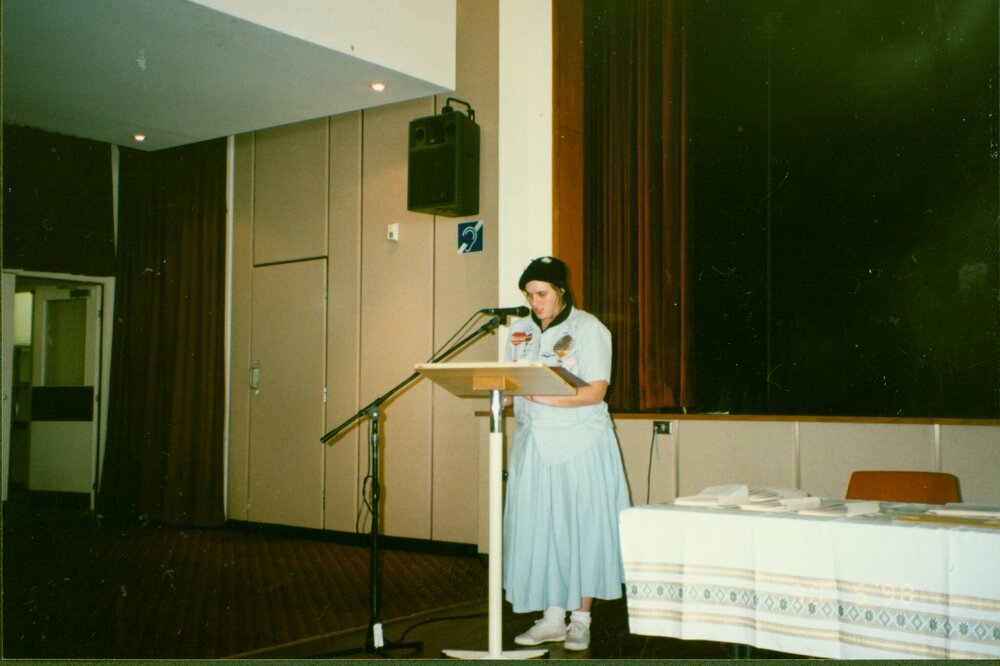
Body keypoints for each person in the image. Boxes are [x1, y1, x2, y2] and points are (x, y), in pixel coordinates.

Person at [502, 256, 631, 652]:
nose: (534, 302)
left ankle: (581, 619)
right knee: (543, 530)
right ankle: (553, 617)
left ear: (561, 290)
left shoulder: (588, 329)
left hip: (579, 444)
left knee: (581, 528)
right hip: (534, 445)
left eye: (542, 294)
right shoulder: (519, 331)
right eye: (528, 295)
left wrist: (540, 394)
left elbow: (595, 391)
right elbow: (507, 383)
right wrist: (502, 392)